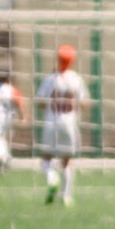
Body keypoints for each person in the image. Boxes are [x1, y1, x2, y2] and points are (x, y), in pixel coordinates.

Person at [36, 44, 89, 206]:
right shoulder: (76, 79)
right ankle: (66, 196)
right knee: (67, 160)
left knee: (46, 157)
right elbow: (85, 103)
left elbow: (40, 102)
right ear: (72, 60)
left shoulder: (50, 79)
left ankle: (52, 178)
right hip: (69, 123)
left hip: (52, 121)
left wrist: (52, 104)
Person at [0, 71, 25, 173]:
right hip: (8, 118)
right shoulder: (11, 89)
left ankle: (4, 157)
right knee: (2, 140)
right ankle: (2, 164)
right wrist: (22, 116)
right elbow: (18, 102)